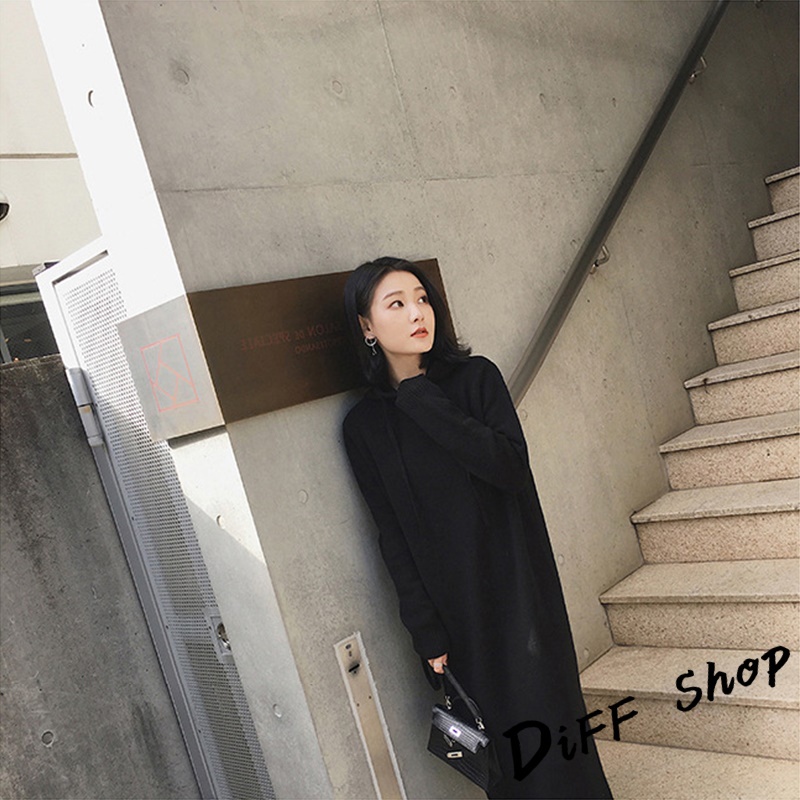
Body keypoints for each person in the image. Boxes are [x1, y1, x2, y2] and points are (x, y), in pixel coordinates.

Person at [341, 256, 612, 799]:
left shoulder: (475, 379)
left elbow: (509, 467)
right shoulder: (364, 426)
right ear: (367, 326)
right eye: (397, 304)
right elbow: (391, 536)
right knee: (502, 757)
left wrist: (421, 396)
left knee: (552, 729)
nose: (417, 312)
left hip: (519, 591)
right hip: (455, 613)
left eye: (422, 298)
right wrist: (426, 631)